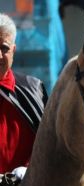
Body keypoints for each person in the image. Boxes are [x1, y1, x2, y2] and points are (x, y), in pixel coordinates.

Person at [0, 13, 47, 175]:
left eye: (4, 48)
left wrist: (29, 169)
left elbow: (49, 142)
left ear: (13, 50)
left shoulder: (33, 89)